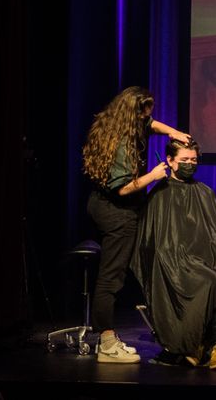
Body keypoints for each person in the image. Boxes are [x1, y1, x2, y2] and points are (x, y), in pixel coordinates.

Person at [80, 86, 191, 364]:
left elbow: (150, 124)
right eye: (144, 113)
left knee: (114, 274)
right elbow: (123, 189)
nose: (148, 118)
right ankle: (106, 344)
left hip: (103, 206)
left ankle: (108, 339)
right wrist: (152, 175)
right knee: (111, 277)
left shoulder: (120, 122)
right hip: (115, 212)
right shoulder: (120, 145)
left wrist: (172, 132)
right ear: (132, 114)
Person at [131, 140, 216, 370]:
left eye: (194, 160)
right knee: (209, 282)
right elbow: (154, 244)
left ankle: (202, 345)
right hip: (174, 263)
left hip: (208, 258)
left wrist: (215, 255)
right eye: (184, 160)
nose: (190, 164)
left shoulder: (205, 192)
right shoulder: (160, 195)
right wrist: (175, 257)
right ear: (169, 161)